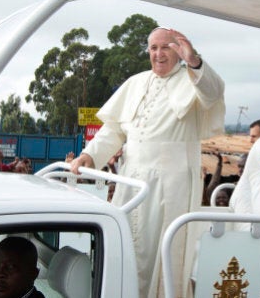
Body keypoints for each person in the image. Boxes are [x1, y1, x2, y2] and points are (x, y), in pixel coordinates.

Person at [70, 27, 225, 297]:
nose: (158, 54)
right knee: (124, 242)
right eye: (153, 48)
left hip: (171, 183)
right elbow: (115, 130)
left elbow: (213, 93)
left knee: (161, 249)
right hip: (131, 178)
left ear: (179, 50)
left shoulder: (194, 78)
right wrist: (90, 155)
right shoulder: (136, 82)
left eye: (166, 47)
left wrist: (194, 61)